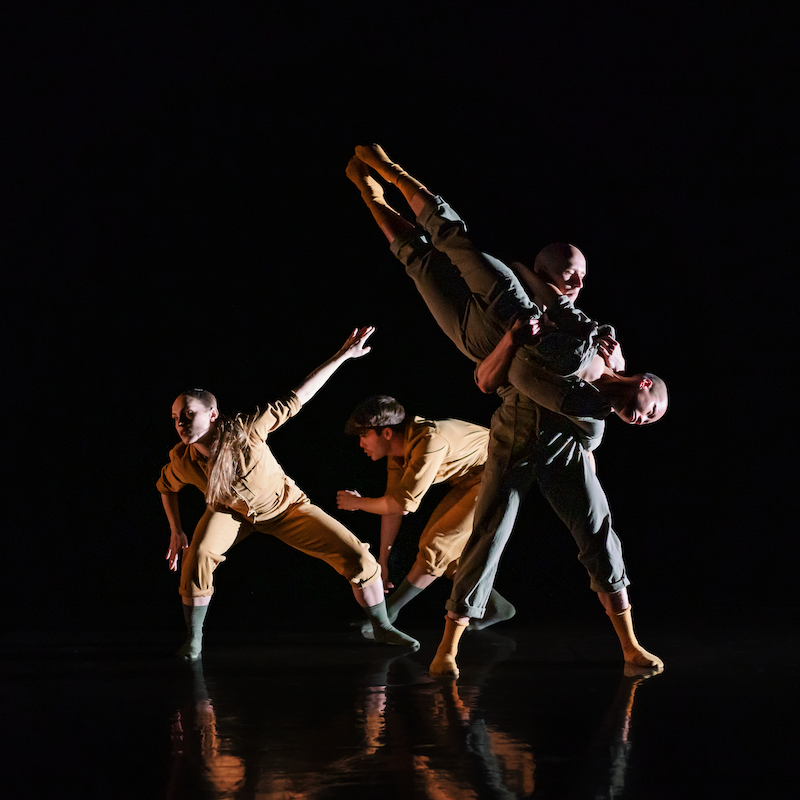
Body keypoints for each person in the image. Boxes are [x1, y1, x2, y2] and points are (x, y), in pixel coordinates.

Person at [346, 144, 664, 676]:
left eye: (582, 277)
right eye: (571, 274)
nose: (579, 284)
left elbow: (503, 381)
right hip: (502, 361)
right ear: (544, 272)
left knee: (595, 539)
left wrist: (550, 351)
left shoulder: (593, 349)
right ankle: (379, 178)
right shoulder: (554, 318)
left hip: (526, 403)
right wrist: (522, 337)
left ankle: (630, 646)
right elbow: (493, 374)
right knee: (434, 251)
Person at [157, 326, 420, 660]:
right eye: (175, 418)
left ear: (212, 414)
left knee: (358, 557)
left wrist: (343, 356)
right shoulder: (183, 461)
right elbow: (165, 487)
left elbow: (299, 396)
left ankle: (382, 626)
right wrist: (176, 529)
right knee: (197, 557)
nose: (181, 423)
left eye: (188, 414)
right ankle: (194, 640)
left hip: (286, 509)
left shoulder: (248, 430)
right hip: (230, 513)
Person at [336, 394, 515, 634]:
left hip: (499, 473)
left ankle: (389, 613)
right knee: (446, 554)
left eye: (364, 435)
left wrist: (358, 503)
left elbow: (402, 505)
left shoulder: (430, 441)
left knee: (436, 546)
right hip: (471, 479)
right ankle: (497, 607)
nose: (361, 444)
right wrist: (383, 561)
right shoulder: (397, 454)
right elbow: (392, 507)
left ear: (386, 433)